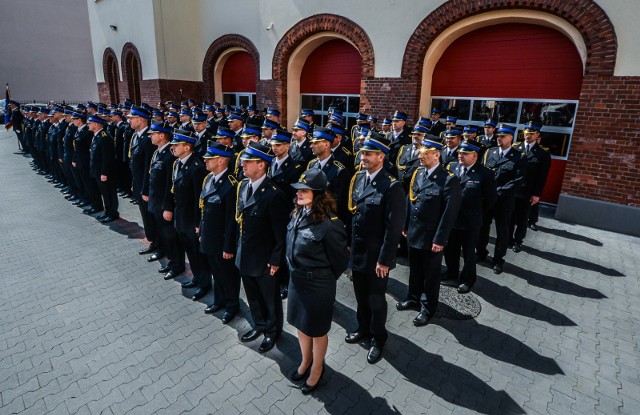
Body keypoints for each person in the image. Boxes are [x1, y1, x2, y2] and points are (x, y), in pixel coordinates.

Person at [286, 168, 349, 394]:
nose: (299, 194)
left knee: (317, 330)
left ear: (318, 193)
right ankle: (305, 361)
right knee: (302, 326)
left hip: (318, 286)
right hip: (297, 281)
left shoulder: (330, 224)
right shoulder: (297, 213)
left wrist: (323, 279)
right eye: (298, 190)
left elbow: (341, 260)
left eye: (305, 190)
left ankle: (317, 368)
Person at [345, 132, 405, 364]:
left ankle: (378, 338)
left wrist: (385, 260)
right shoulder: (359, 178)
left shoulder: (392, 187)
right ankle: (363, 329)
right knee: (361, 297)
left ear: (381, 157)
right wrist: (350, 245)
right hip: (359, 252)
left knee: (376, 300)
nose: (363, 156)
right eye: (362, 153)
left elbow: (393, 228)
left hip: (377, 257)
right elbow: (355, 216)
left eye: (368, 153)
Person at [396, 136, 461, 325]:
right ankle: (413, 297)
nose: (419, 156)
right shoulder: (419, 173)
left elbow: (449, 214)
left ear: (436, 154)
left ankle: (427, 307)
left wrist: (440, 239)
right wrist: (406, 225)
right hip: (415, 232)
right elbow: (411, 200)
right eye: (420, 152)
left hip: (432, 237)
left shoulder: (448, 180)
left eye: (424, 153)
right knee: (415, 269)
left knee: (431, 275)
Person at [235, 141, 289, 353]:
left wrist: (276, 260)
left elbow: (280, 234)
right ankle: (259, 324)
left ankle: (273, 332)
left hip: (265, 259)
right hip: (246, 254)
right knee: (253, 296)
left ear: (261, 165)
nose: (243, 164)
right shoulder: (244, 186)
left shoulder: (274, 194)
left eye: (248, 162)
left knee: (270, 299)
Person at [444, 140, 498, 293]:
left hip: (470, 221)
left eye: (465, 153)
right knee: (450, 250)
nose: (460, 156)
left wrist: (478, 212)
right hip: (452, 219)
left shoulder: (485, 173)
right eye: (460, 153)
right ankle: (451, 272)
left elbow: (491, 198)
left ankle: (468, 279)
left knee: (468, 253)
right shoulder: (451, 167)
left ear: (474, 155)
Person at [198, 141, 240, 323]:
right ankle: (219, 300)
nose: (205, 160)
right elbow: (204, 208)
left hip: (223, 241)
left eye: (210, 158)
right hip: (209, 237)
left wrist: (229, 246)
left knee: (228, 276)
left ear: (222, 160)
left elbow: (232, 220)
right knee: (215, 272)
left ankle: (232, 305)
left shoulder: (231, 185)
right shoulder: (209, 179)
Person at [167, 130, 210, 300]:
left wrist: (197, 223)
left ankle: (205, 284)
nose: (173, 148)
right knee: (190, 253)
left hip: (192, 220)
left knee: (198, 255)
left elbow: (198, 199)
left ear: (187, 147)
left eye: (176, 145)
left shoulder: (196, 168)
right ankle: (197, 278)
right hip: (181, 217)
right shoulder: (178, 163)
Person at [478, 124, 527, 274]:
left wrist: (497, 191)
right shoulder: (489, 152)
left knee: (502, 231)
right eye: (498, 136)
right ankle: (480, 252)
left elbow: (518, 180)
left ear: (511, 137)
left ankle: (498, 259)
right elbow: (481, 173)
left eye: (503, 136)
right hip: (487, 200)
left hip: (504, 200)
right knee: (482, 228)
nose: (499, 138)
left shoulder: (519, 157)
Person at [142, 121, 185, 280]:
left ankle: (177, 264)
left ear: (161, 135)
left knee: (171, 237)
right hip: (156, 202)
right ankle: (171, 260)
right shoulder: (158, 152)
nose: (150, 137)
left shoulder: (169, 156)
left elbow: (169, 185)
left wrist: (167, 207)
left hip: (163, 204)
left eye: (153, 134)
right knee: (163, 235)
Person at [510, 121, 551, 251]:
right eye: (526, 133)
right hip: (512, 190)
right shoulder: (515, 148)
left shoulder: (543, 153)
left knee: (523, 218)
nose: (528, 136)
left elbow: (542, 177)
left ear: (537, 134)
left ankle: (518, 241)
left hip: (528, 191)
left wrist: (537, 194)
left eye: (531, 134)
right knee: (509, 217)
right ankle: (508, 239)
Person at [87, 114, 119, 223]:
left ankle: (112, 213)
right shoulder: (97, 136)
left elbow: (107, 158)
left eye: (90, 123)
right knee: (104, 193)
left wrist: (104, 173)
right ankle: (107, 211)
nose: (88, 125)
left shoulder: (104, 137)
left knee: (109, 193)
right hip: (98, 171)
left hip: (105, 173)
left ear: (95, 124)